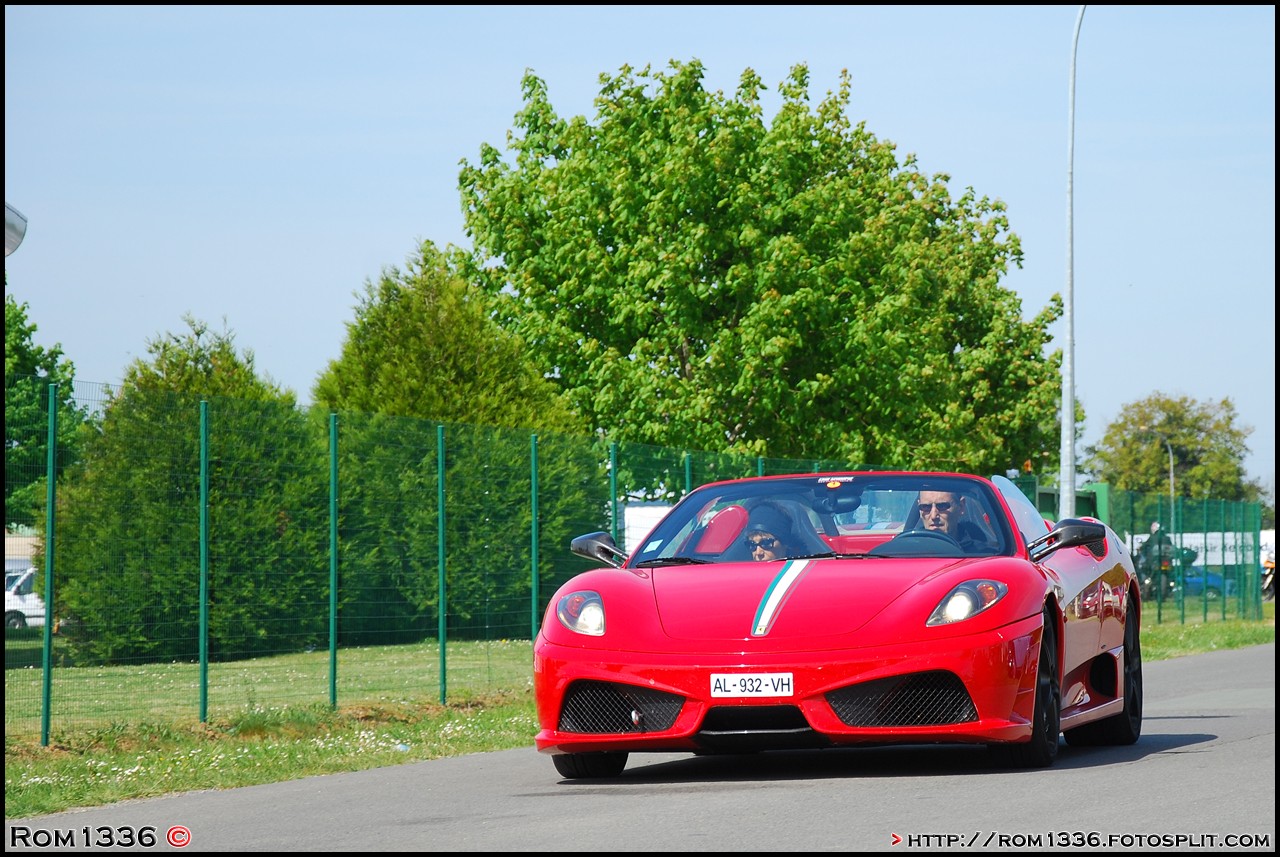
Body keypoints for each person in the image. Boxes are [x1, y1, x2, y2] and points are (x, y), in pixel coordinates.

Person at [915, 489, 989, 551]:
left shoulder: (982, 555)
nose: (934, 516)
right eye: (925, 507)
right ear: (920, 511)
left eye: (942, 506)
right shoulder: (907, 551)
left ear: (961, 506)